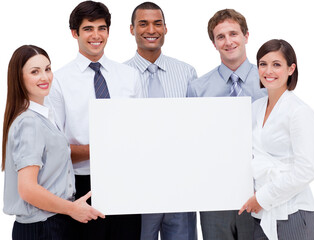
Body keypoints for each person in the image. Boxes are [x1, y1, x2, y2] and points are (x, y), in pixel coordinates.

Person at [46, 1, 142, 239]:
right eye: (88, 28)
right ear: (74, 33)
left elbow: (141, 132)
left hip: (125, 181)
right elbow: (55, 149)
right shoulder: (58, 81)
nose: (96, 35)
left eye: (102, 28)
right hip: (81, 184)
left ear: (108, 31)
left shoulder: (129, 77)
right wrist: (101, 149)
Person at [2, 45, 104, 240]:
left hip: (52, 223)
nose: (45, 77)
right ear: (19, 78)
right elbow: (27, 189)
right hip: (42, 227)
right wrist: (72, 209)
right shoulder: (29, 122)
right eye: (35, 72)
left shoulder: (44, 116)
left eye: (47, 69)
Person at [187, 9, 267, 240]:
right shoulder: (198, 88)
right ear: (214, 43)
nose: (228, 41)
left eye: (233, 33)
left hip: (260, 190)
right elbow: (193, 140)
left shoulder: (268, 81)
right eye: (220, 36)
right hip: (215, 193)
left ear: (246, 36)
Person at [125, 2, 197, 240]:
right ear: (132, 29)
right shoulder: (119, 75)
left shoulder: (186, 72)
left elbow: (195, 129)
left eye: (157, 23)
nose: (151, 29)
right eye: (143, 24)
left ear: (166, 28)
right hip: (138, 187)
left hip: (180, 186)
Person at [238, 39, 314, 240]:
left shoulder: (299, 112)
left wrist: (263, 198)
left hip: (292, 214)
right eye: (263, 64)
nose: (268, 71)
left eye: (276, 64)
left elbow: (307, 169)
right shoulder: (255, 107)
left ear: (291, 69)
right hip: (260, 213)